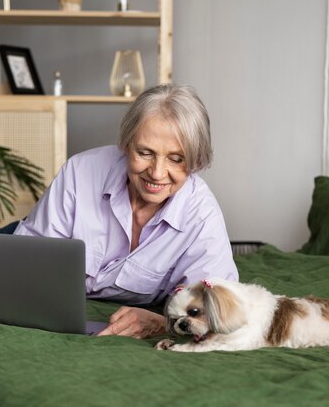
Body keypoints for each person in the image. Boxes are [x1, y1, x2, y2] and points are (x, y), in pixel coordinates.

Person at [14, 84, 238, 339]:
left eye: (176, 159)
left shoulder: (201, 213)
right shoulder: (79, 172)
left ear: (195, 160)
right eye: (145, 153)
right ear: (126, 143)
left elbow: (217, 305)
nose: (156, 173)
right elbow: (27, 260)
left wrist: (160, 322)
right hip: (18, 232)